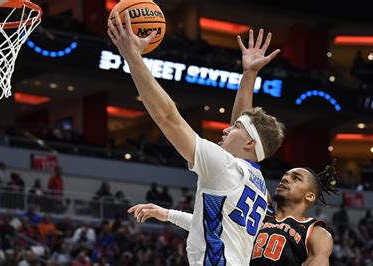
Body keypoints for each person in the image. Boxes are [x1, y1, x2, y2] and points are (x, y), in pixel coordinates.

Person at [109, 13, 284, 265]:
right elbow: (209, 223)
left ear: (249, 143)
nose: (225, 130)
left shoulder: (226, 167)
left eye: (234, 128)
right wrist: (249, 75)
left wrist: (133, 57)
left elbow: (168, 118)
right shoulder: (258, 186)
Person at [131, 162, 339, 266]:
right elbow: (212, 226)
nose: (285, 179)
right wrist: (167, 214)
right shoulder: (258, 211)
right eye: (285, 176)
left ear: (310, 196)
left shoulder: (315, 232)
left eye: (296, 178)